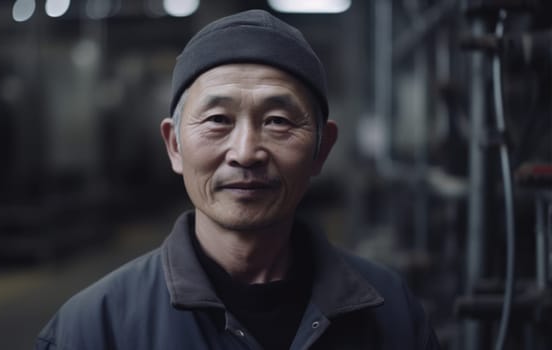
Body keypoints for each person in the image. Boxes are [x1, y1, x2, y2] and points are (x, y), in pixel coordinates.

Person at [35, 9, 440, 350]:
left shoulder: (390, 314)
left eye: (278, 121)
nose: (245, 152)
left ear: (322, 148)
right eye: (217, 121)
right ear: (174, 145)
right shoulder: (94, 329)